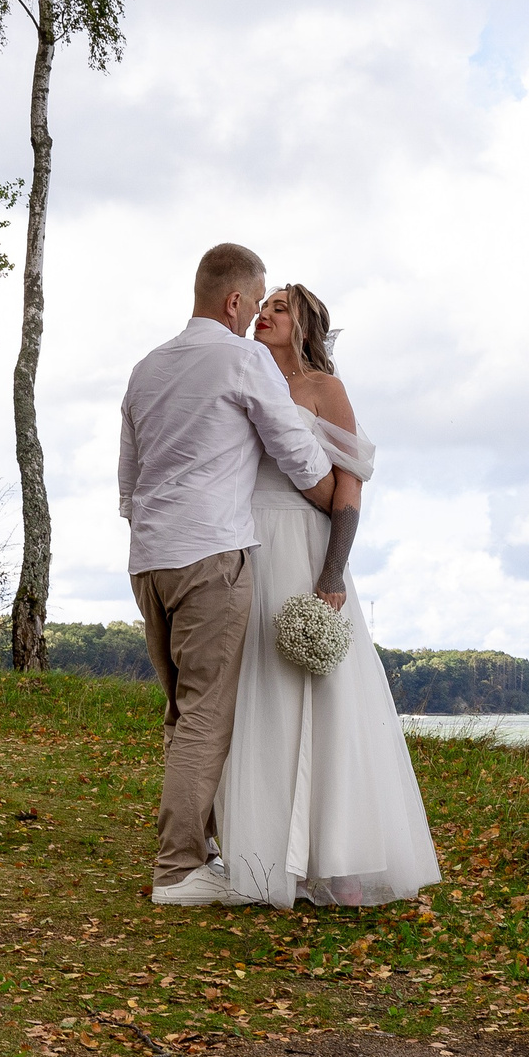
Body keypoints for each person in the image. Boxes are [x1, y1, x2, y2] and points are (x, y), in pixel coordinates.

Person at [118, 244, 336, 906]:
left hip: (149, 560)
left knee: (183, 712)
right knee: (208, 714)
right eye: (256, 301)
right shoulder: (240, 358)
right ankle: (179, 870)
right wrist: (337, 499)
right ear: (235, 301)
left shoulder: (146, 368)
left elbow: (128, 487)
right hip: (212, 552)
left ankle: (202, 850)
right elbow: (295, 450)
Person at [212, 283, 441, 908]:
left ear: (306, 326)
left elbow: (350, 483)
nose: (265, 314)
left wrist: (333, 572)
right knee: (258, 692)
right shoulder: (243, 376)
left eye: (279, 308)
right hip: (246, 541)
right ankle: (261, 859)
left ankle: (337, 857)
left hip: (306, 544)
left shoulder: (323, 390)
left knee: (325, 692)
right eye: (263, 306)